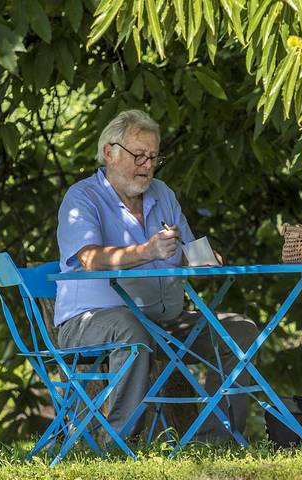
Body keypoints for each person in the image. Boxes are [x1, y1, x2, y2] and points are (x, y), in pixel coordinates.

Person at [53, 109, 258, 443]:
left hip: (161, 321)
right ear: (109, 152)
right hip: (87, 323)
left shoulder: (162, 193)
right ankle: (119, 443)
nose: (147, 166)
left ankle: (215, 440)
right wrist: (147, 251)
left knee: (239, 330)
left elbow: (188, 251)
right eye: (139, 156)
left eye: (152, 157)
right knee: (130, 331)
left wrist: (206, 260)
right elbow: (90, 258)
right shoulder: (82, 197)